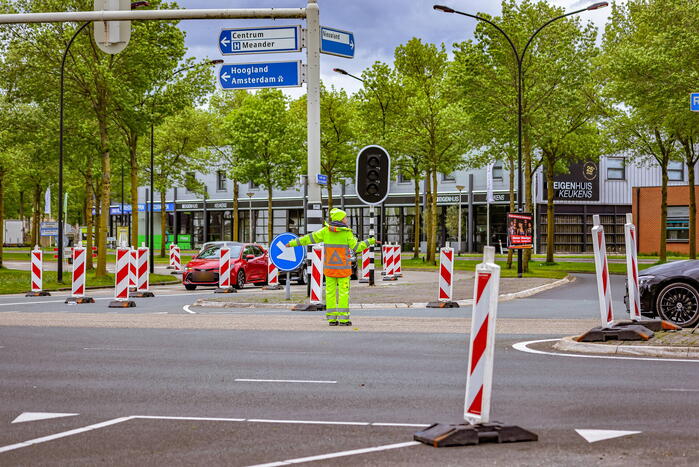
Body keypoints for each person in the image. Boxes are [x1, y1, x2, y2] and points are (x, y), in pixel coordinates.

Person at [286, 208, 376, 326]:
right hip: (343, 270)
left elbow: (308, 239)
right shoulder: (346, 233)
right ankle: (344, 320)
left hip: (329, 269)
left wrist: (292, 243)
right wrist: (370, 241)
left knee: (330, 293)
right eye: (345, 217)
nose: (346, 219)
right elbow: (357, 248)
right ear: (340, 219)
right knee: (344, 293)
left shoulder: (325, 231)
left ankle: (332, 320)